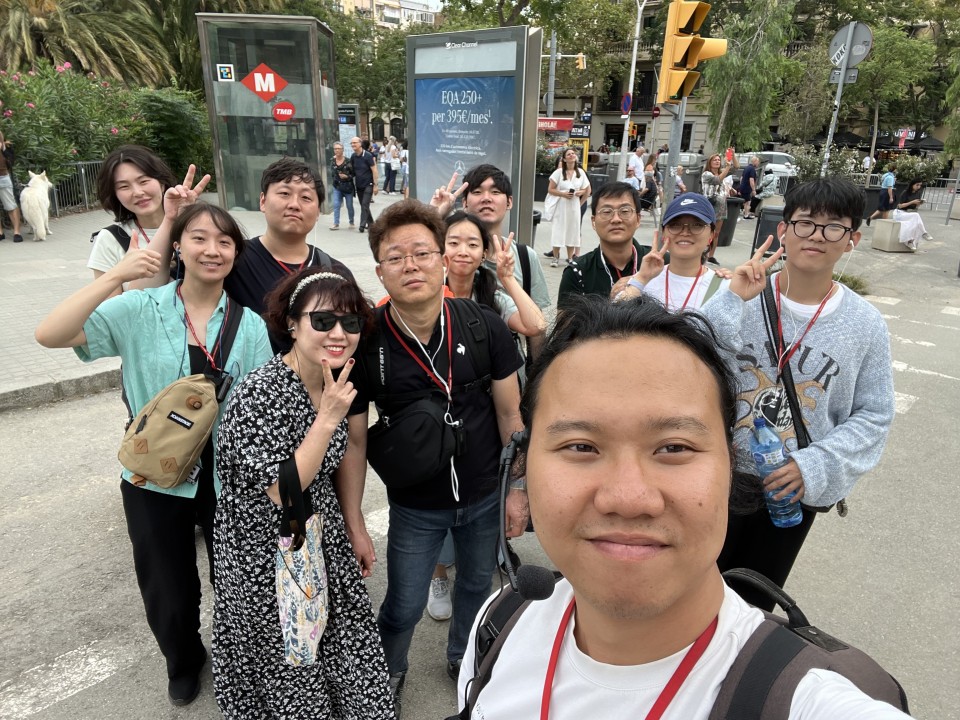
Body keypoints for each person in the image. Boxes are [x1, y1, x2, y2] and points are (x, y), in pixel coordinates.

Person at [456, 295, 910, 719]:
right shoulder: (501, 621)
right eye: (580, 446)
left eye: (674, 447)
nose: (628, 499)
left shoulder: (805, 700)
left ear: (731, 464)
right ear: (522, 464)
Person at [35, 203, 272, 706]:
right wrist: (115, 276)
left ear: (236, 253)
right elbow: (50, 334)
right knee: (166, 584)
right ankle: (183, 659)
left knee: (234, 578)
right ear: (179, 246)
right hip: (152, 474)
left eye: (225, 241)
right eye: (199, 238)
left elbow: (260, 404)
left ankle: (236, 656)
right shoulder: (139, 308)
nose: (212, 250)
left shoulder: (250, 325)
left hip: (227, 475)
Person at [341, 200, 526, 717]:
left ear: (443, 260)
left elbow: (510, 414)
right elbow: (354, 442)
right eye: (395, 257)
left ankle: (462, 658)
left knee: (476, 587)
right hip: (415, 505)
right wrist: (355, 522)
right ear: (379, 271)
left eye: (422, 252)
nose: (411, 265)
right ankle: (388, 670)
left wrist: (517, 490)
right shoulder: (366, 341)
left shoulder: (483, 325)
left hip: (485, 494)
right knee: (402, 604)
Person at [700, 177, 895, 609]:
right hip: (714, 477)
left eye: (833, 226)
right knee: (687, 590)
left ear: (852, 239)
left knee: (753, 607)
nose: (817, 236)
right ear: (784, 230)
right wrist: (731, 299)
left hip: (790, 491)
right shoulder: (742, 296)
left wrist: (814, 465)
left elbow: (874, 414)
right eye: (806, 223)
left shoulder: (865, 325)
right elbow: (688, 362)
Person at [212, 269, 394, 718]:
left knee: (341, 631)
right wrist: (328, 417)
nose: (339, 333)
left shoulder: (334, 380)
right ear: (292, 324)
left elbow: (343, 459)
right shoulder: (260, 392)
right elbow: (282, 490)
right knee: (291, 650)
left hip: (319, 529)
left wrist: (354, 527)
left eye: (351, 323)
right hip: (265, 546)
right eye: (323, 320)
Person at [221, 158, 353, 351]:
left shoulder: (335, 272)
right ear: (263, 201)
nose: (294, 204)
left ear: (318, 211)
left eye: (306, 198)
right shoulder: (231, 260)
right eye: (284, 193)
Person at [616, 194, 727, 311]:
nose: (685, 232)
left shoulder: (724, 287)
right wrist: (641, 279)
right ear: (663, 234)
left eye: (697, 225)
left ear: (711, 235)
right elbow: (615, 317)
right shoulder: (643, 280)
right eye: (675, 225)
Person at [87, 145, 180, 278]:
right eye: (124, 186)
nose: (137, 192)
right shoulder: (110, 239)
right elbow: (108, 292)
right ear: (115, 195)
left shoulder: (193, 228)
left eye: (144, 181)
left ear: (162, 183)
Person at [557, 181, 655, 308]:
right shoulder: (577, 272)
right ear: (593, 221)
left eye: (625, 211)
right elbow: (566, 321)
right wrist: (611, 303)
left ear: (638, 219)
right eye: (607, 212)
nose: (616, 219)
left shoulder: (659, 263)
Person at [547, 148, 591, 267]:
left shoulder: (580, 172)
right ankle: (555, 257)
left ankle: (570, 258)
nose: (571, 155)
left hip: (574, 206)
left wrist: (580, 198)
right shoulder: (559, 172)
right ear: (564, 159)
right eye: (568, 154)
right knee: (558, 229)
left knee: (572, 230)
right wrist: (563, 194)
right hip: (561, 206)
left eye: (573, 153)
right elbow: (550, 189)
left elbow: (587, 190)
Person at [700, 150, 737, 264]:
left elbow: (736, 167)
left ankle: (711, 256)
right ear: (710, 162)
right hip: (710, 204)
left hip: (721, 206)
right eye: (714, 160)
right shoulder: (706, 174)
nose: (717, 161)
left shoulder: (722, 172)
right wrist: (727, 167)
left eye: (718, 160)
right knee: (706, 230)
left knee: (716, 233)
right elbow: (717, 180)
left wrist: (733, 156)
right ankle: (701, 253)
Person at [892, 179, 932, 250]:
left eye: (920, 185)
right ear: (912, 185)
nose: (918, 187)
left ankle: (910, 241)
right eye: (917, 185)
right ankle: (924, 233)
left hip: (909, 213)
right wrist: (912, 202)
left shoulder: (918, 193)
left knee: (915, 219)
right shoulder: (905, 193)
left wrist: (919, 203)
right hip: (900, 213)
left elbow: (915, 207)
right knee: (916, 216)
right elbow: (900, 206)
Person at [351, 136, 379, 232]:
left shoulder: (368, 156)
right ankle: (372, 225)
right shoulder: (353, 156)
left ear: (360, 144)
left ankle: (362, 225)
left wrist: (375, 185)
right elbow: (352, 171)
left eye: (354, 143)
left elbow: (374, 170)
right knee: (364, 206)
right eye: (351, 143)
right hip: (359, 185)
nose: (353, 145)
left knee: (364, 204)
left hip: (368, 184)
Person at [0, 130, 24, 242]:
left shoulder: (7, 147)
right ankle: (0, 233)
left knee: (11, 205)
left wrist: (3, 149)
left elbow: (11, 162)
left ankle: (17, 232)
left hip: (3, 177)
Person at [330, 141, 356, 230]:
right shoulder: (332, 160)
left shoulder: (348, 161)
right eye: (335, 149)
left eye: (338, 149)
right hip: (337, 186)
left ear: (342, 150)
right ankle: (336, 223)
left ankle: (351, 222)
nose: (336, 150)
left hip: (348, 187)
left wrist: (347, 176)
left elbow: (353, 174)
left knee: (349, 206)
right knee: (336, 204)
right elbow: (332, 173)